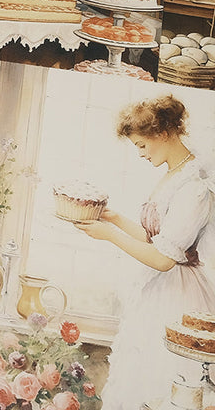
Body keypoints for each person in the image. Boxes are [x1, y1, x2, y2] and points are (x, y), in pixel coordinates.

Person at [76, 94, 215, 410]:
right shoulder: (174, 174)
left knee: (164, 381)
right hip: (157, 291)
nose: (139, 153)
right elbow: (158, 240)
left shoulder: (195, 185)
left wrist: (109, 235)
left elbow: (165, 259)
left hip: (179, 298)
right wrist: (116, 219)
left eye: (141, 145)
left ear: (163, 133)